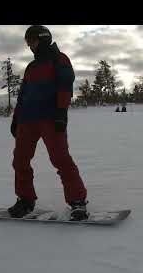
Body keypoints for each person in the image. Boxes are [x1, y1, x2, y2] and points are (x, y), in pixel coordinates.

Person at [8, 25, 88, 221]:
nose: (29, 46)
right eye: (27, 43)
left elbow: (65, 86)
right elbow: (23, 96)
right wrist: (16, 118)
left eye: (31, 41)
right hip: (28, 120)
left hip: (51, 118)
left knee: (60, 159)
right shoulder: (31, 67)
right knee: (20, 160)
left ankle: (77, 202)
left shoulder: (59, 59)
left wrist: (61, 113)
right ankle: (25, 200)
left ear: (42, 39)